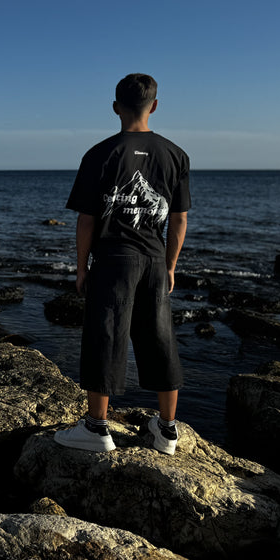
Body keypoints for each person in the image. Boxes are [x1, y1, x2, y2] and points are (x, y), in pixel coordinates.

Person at [55, 73, 190, 455]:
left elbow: (87, 220)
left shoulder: (99, 153)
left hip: (114, 258)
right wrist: (170, 265)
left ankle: (97, 428)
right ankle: (167, 431)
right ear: (156, 106)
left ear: (116, 107)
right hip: (152, 258)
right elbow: (179, 219)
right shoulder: (176, 154)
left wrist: (81, 269)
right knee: (161, 337)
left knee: (106, 335)